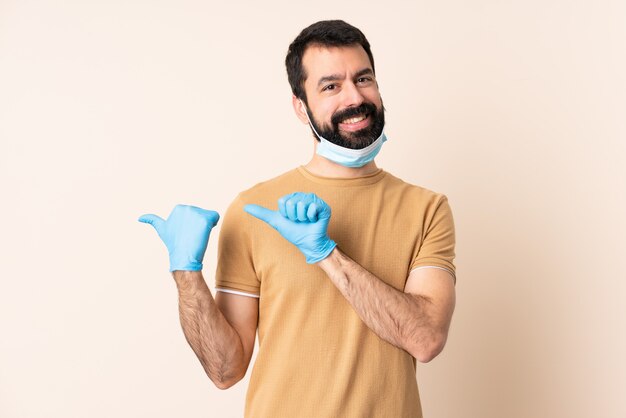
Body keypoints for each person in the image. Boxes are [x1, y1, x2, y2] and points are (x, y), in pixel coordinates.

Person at [139, 20, 456, 418]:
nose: (354, 97)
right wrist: (186, 275)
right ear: (300, 107)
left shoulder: (427, 208)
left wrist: (325, 253)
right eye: (330, 86)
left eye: (363, 78)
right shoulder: (254, 209)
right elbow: (226, 371)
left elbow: (425, 339)